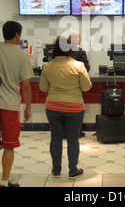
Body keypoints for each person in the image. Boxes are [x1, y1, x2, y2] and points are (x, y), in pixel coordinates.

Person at [0, 21, 34, 187]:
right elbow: (25, 85)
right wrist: (28, 107)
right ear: (17, 35)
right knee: (9, 146)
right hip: (10, 105)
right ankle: (4, 182)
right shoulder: (21, 55)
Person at [39, 36, 92, 179]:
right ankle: (72, 171)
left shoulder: (47, 67)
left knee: (55, 138)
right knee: (73, 139)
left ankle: (56, 170)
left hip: (53, 106)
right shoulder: (79, 65)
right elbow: (86, 87)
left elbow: (43, 88)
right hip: (74, 107)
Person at [67, 30, 90, 137]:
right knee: (76, 110)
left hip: (61, 88)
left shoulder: (62, 52)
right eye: (79, 37)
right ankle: (77, 131)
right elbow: (87, 68)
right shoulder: (80, 52)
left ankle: (64, 131)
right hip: (77, 87)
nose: (80, 40)